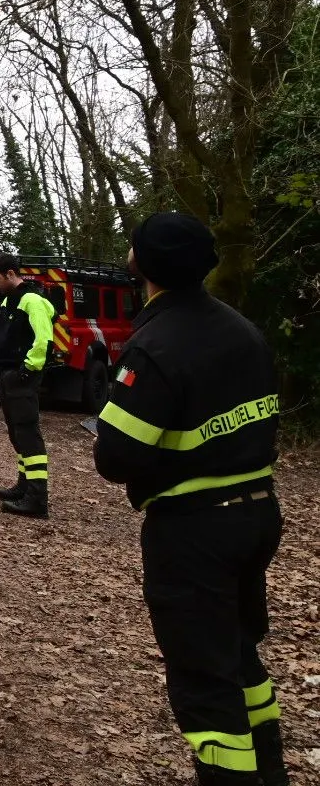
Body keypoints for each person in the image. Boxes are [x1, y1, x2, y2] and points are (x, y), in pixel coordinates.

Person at [94, 213, 286, 785]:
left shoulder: (156, 346)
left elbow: (117, 458)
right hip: (256, 513)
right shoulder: (242, 330)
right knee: (236, 653)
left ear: (144, 265)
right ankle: (269, 772)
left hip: (195, 531)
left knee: (204, 682)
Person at [0, 254, 55, 518]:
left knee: (28, 433)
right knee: (17, 433)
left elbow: (43, 339)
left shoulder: (32, 300)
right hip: (8, 373)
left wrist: (28, 370)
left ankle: (37, 498)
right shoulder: (8, 301)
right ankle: (24, 487)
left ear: (11, 274)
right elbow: (10, 334)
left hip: (21, 375)